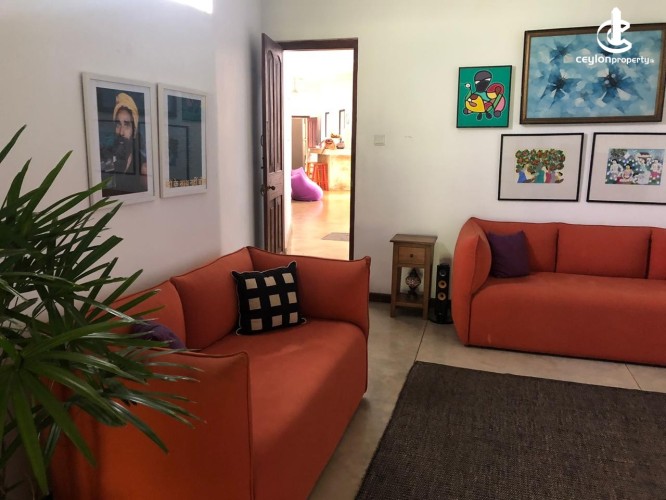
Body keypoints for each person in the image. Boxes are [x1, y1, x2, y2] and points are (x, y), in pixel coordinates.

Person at [100, 92, 148, 196]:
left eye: (126, 125)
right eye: (118, 124)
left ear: (134, 130)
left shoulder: (143, 166)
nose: (121, 132)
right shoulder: (106, 160)